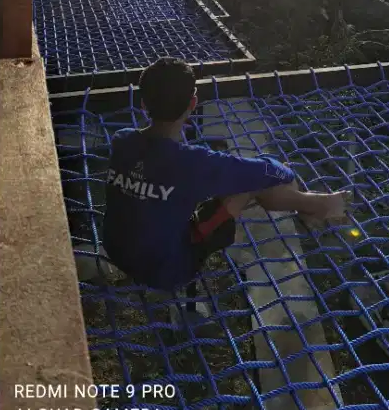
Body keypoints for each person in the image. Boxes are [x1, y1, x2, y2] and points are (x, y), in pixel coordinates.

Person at [103, 57, 349, 290]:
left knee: (232, 181)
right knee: (249, 184)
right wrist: (283, 167)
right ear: (192, 103)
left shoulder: (121, 140)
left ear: (143, 103)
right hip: (168, 271)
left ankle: (315, 206)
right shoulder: (193, 162)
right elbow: (267, 171)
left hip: (118, 252)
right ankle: (319, 204)